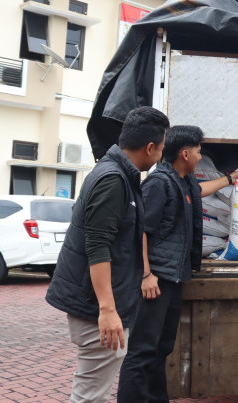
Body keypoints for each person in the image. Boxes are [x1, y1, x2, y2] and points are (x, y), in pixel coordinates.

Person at [45, 106, 170, 403]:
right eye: (162, 148)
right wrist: (107, 310)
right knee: (90, 396)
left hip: (99, 302)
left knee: (93, 392)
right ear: (150, 147)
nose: (161, 155)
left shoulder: (118, 174)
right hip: (95, 306)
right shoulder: (113, 179)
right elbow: (97, 245)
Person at [117, 125, 238, 402]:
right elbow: (141, 232)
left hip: (172, 277)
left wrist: (228, 180)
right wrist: (146, 274)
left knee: (161, 347)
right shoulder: (159, 183)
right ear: (185, 154)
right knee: (142, 350)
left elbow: (200, 190)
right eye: (198, 151)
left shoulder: (182, 182)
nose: (199, 155)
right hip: (156, 279)